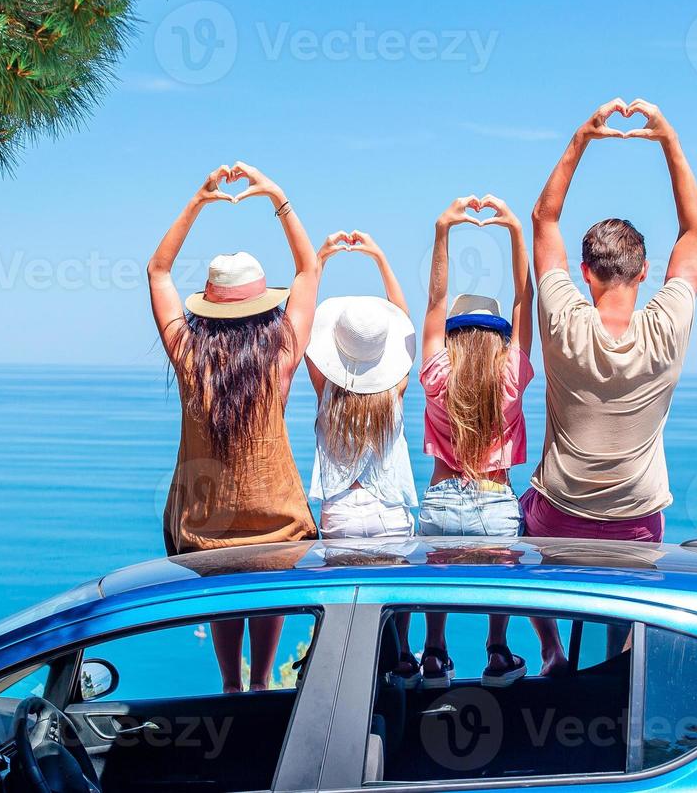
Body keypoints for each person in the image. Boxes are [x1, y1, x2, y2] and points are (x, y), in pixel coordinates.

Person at [526, 97, 697, 676]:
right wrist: (668, 139)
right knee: (630, 607)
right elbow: (695, 228)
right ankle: (620, 673)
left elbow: (544, 219)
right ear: (645, 271)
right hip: (635, 523)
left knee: (523, 511)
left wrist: (582, 137)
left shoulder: (563, 323)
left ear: (585, 272)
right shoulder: (666, 328)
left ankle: (552, 651)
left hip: (557, 517)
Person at [148, 162, 321, 692]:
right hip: (281, 532)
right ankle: (263, 680)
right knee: (268, 589)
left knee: (220, 582)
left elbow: (157, 270)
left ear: (208, 307)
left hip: (205, 536)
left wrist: (198, 200)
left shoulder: (189, 356)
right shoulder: (281, 356)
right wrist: (278, 197)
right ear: (262, 306)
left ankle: (230, 684)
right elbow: (309, 270)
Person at [416, 195, 535, 688]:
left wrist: (443, 230)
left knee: (435, 586)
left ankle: (435, 653)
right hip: (495, 502)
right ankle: (498, 651)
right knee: (499, 584)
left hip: (441, 502)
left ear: (453, 335)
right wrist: (514, 231)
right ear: (498, 337)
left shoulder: (436, 374)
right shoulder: (510, 375)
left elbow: (434, 302)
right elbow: (525, 300)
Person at [304, 229, 419, 683]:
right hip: (390, 512)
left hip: (339, 514)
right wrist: (380, 257)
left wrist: (321, 259)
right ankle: (405, 655)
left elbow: (305, 325)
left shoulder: (324, 390)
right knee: (395, 604)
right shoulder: (395, 390)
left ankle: (336, 678)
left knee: (346, 615)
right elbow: (407, 331)